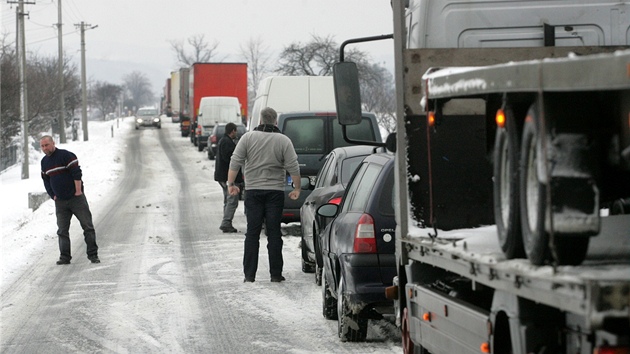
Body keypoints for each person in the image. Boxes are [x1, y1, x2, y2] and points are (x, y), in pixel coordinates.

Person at [227, 107, 301, 283]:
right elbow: (293, 166)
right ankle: (275, 274)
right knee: (274, 233)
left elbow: (235, 161)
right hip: (275, 192)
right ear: (276, 122)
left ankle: (249, 275)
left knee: (252, 232)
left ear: (260, 121)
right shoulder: (284, 141)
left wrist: (231, 184)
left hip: (253, 192)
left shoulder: (247, 138)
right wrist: (296, 188)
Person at [40, 135, 100, 265]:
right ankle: (65, 257)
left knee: (87, 227)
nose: (45, 148)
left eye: (47, 145)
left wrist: (78, 191)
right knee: (62, 231)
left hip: (76, 199)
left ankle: (93, 255)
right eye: (42, 146)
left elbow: (76, 173)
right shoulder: (44, 162)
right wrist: (53, 195)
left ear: (53, 143)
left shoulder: (66, 155)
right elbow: (46, 180)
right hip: (60, 202)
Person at [214, 122, 243, 233]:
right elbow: (230, 160)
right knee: (232, 200)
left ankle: (226, 221)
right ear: (233, 131)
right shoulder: (227, 143)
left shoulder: (224, 141)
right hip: (228, 177)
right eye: (236, 131)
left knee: (228, 200)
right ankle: (226, 222)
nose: (236, 133)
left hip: (223, 176)